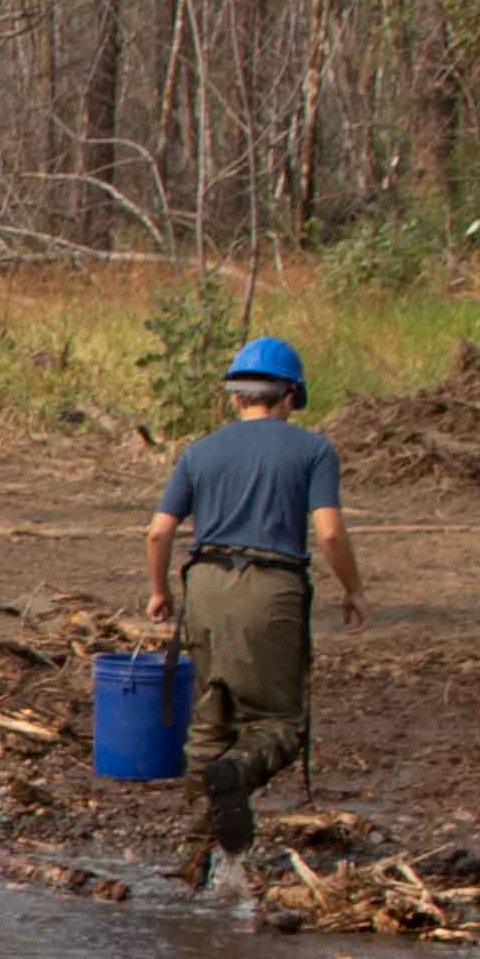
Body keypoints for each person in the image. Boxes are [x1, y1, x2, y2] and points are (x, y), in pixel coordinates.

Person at [142, 334, 364, 878]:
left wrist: (159, 591)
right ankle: (235, 780)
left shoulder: (199, 451)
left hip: (206, 586)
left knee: (211, 716)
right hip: (272, 587)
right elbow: (329, 534)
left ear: (236, 398)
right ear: (290, 396)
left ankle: (201, 856)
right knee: (282, 724)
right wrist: (353, 589)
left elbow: (158, 531)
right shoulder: (314, 451)